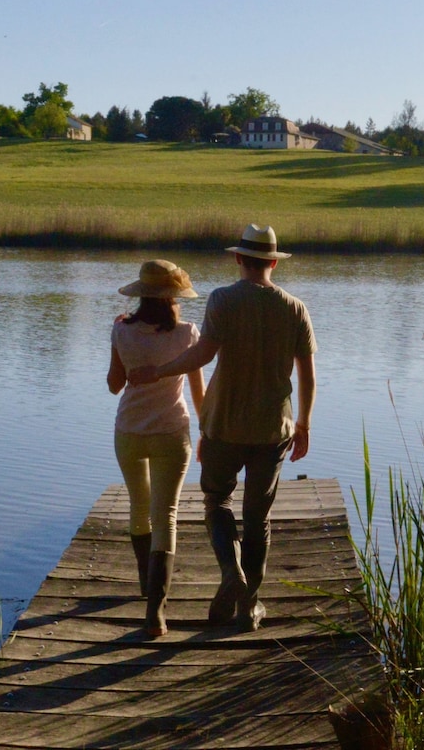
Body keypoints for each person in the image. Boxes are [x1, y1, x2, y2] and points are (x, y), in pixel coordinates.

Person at [128, 224, 316, 632]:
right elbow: (308, 375)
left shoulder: (223, 300)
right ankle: (249, 608)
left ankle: (231, 572)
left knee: (217, 502)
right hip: (273, 429)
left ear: (238, 259)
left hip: (223, 425)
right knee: (258, 518)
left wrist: (156, 372)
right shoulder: (296, 308)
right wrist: (303, 423)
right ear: (272, 262)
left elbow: (200, 355)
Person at [107, 259, 204, 637]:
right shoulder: (188, 333)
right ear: (174, 296)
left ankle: (146, 583)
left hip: (129, 430)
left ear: (141, 294)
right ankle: (155, 613)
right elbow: (198, 393)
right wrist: (207, 430)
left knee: (139, 508)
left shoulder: (121, 332)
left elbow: (115, 385)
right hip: (171, 432)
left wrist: (118, 338)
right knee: (167, 515)